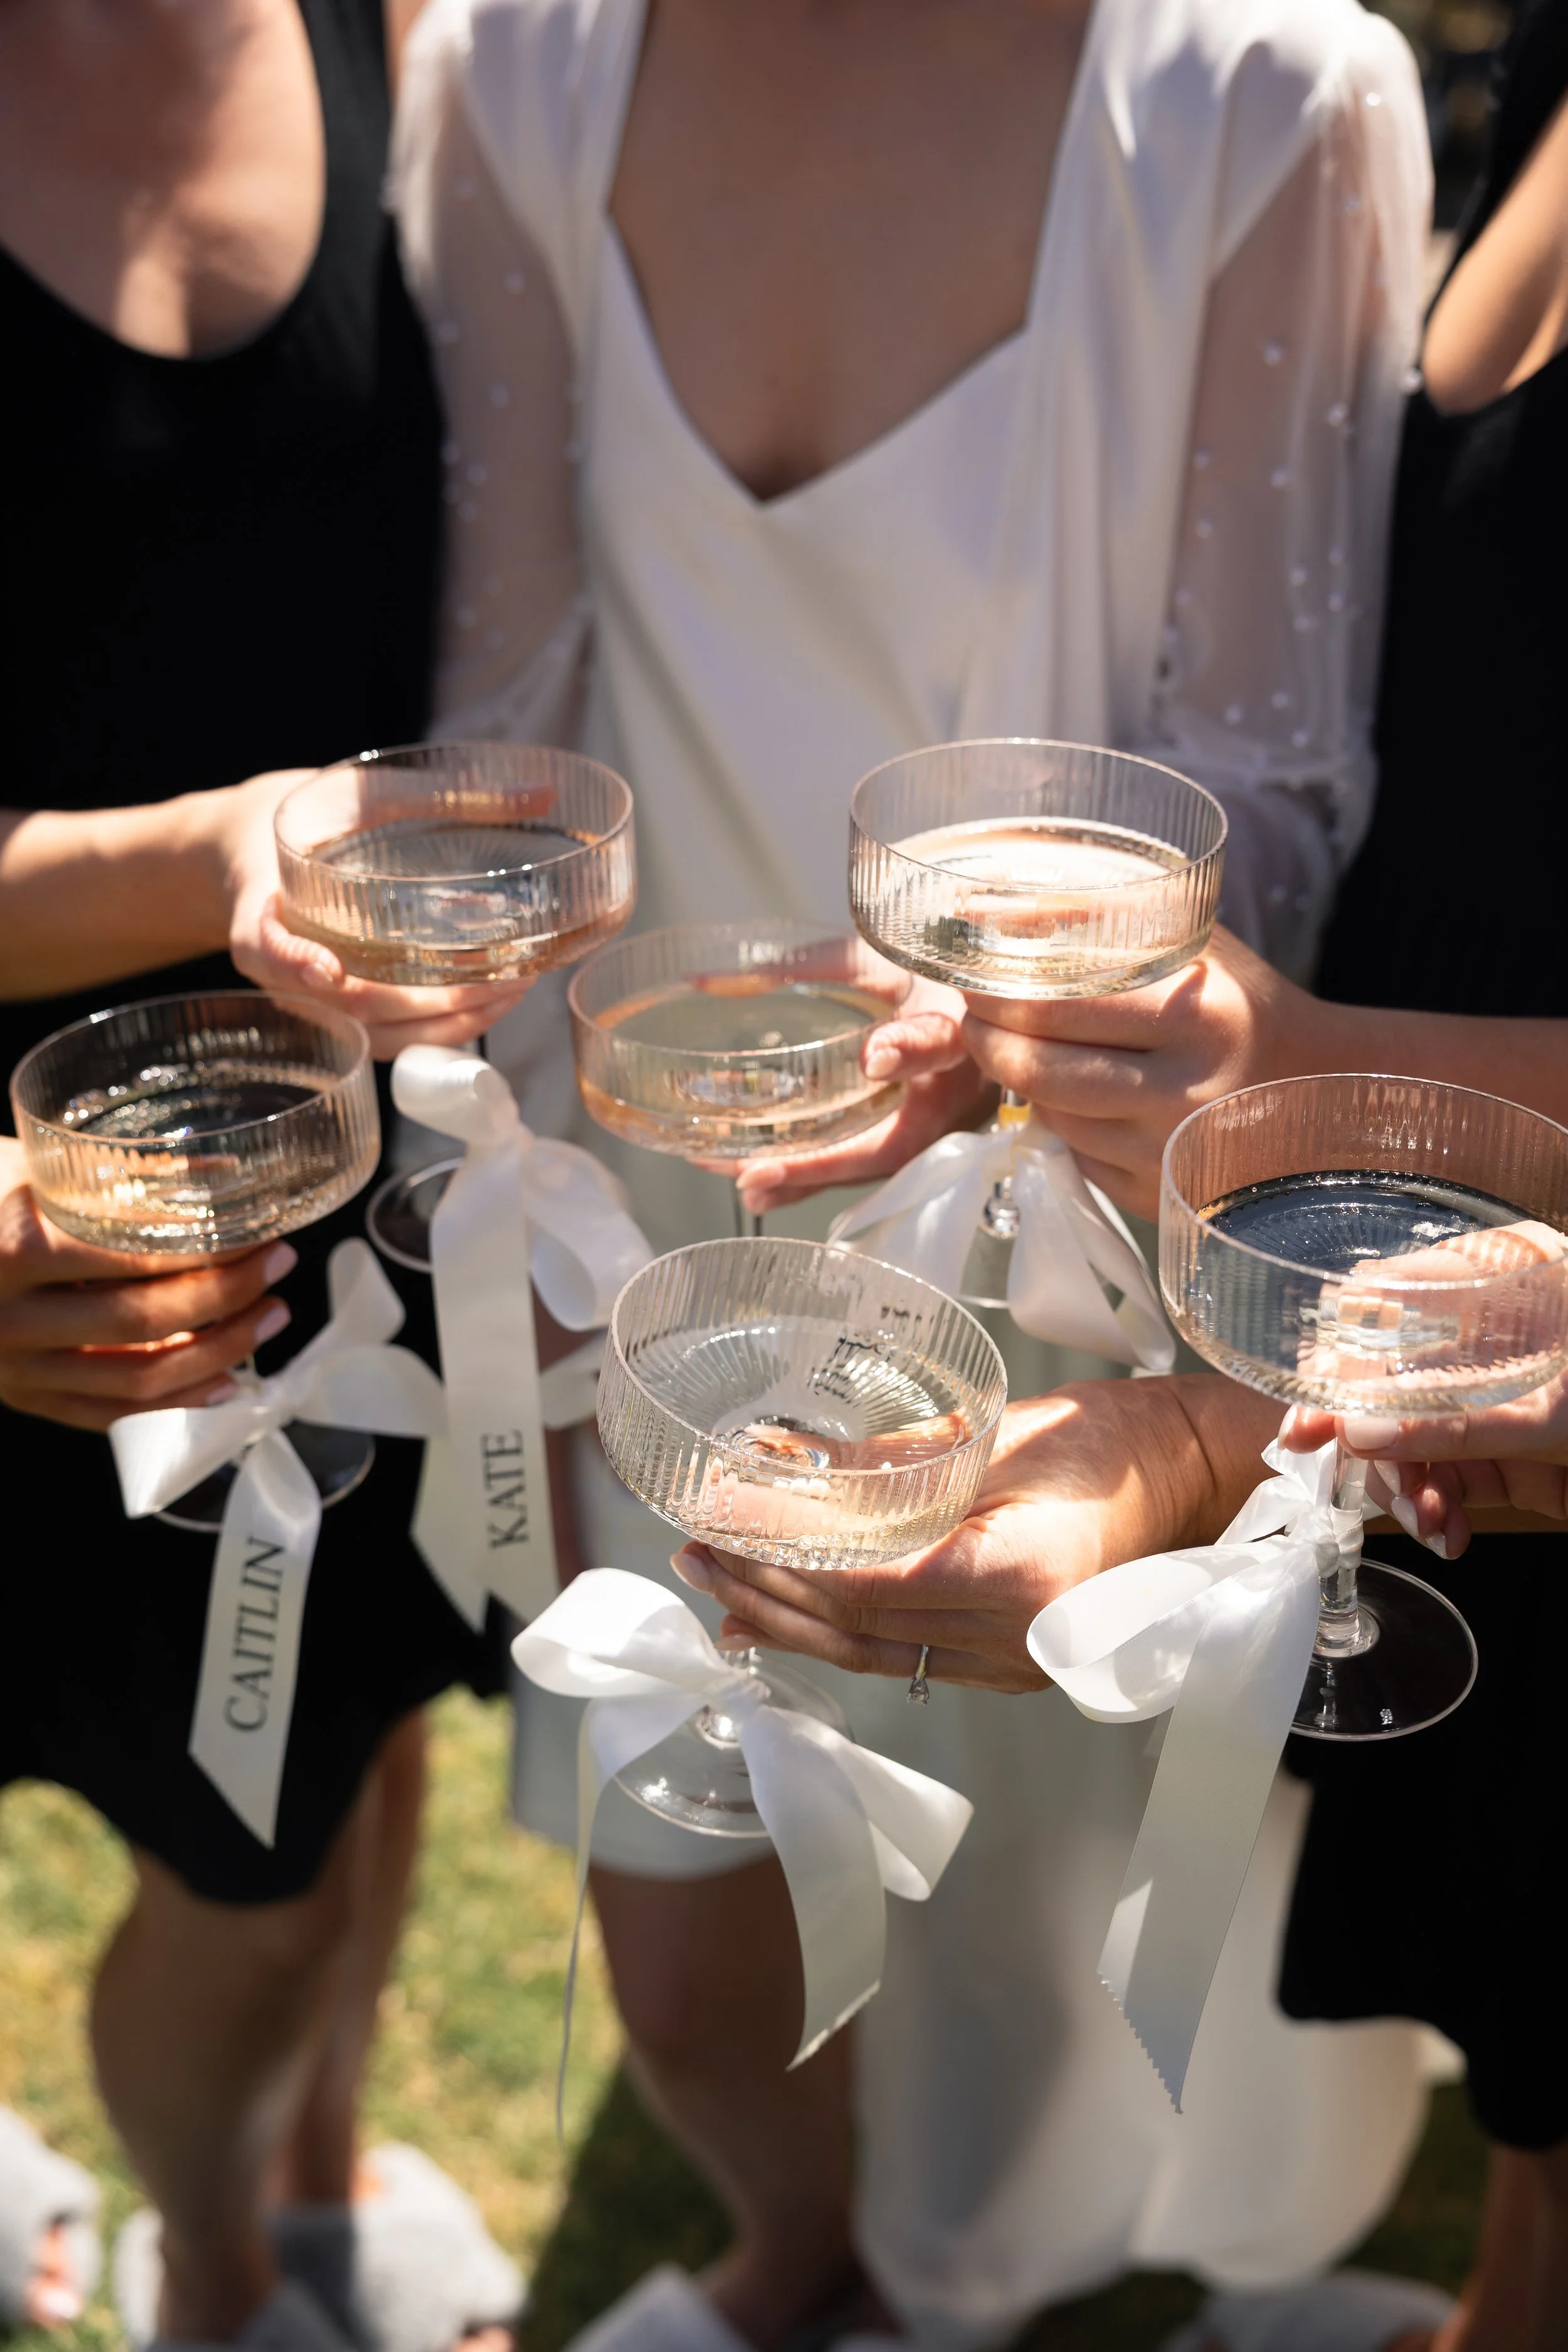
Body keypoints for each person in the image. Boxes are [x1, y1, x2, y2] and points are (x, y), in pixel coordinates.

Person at [394, 0, 1440, 2343]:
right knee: (683, 1882)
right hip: (663, 1137)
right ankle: (798, 2237)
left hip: (1073, 1152)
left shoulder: (1260, 95)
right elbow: (510, 690)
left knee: (1060, 1851)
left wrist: (991, 1035)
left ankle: (1040, 2235)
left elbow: (1263, 778)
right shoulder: (516, 64)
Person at [0, 3, 527, 2344]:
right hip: (30, 1224)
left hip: (319, 1186)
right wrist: (213, 847)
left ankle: (274, 2219)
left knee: (300, 1821)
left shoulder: (380, 20)